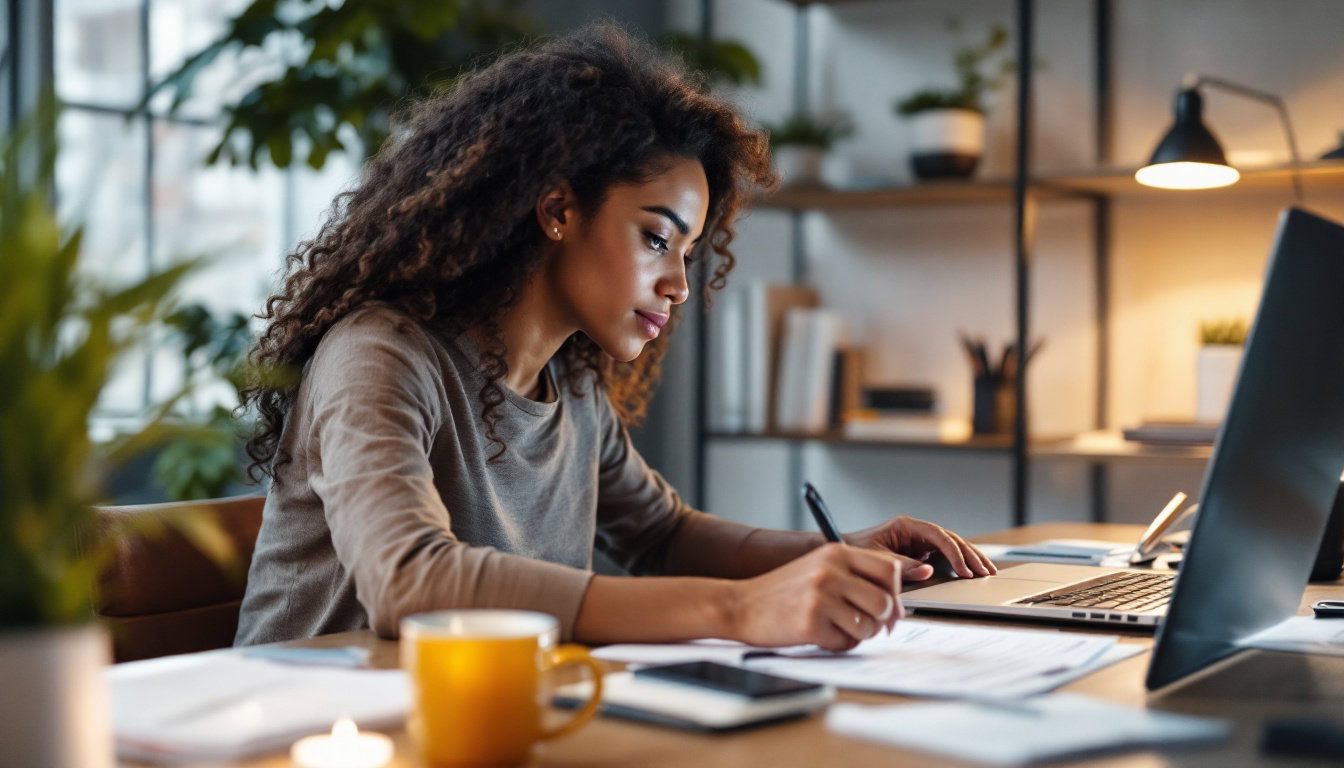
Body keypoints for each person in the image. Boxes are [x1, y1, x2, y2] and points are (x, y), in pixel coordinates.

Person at [234, 24, 995, 652]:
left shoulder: (571, 385)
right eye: (656, 240)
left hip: (482, 722)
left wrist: (837, 553)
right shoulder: (382, 354)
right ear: (558, 209)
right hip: (308, 735)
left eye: (689, 254)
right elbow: (412, 583)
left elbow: (664, 535)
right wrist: (738, 613)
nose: (680, 285)